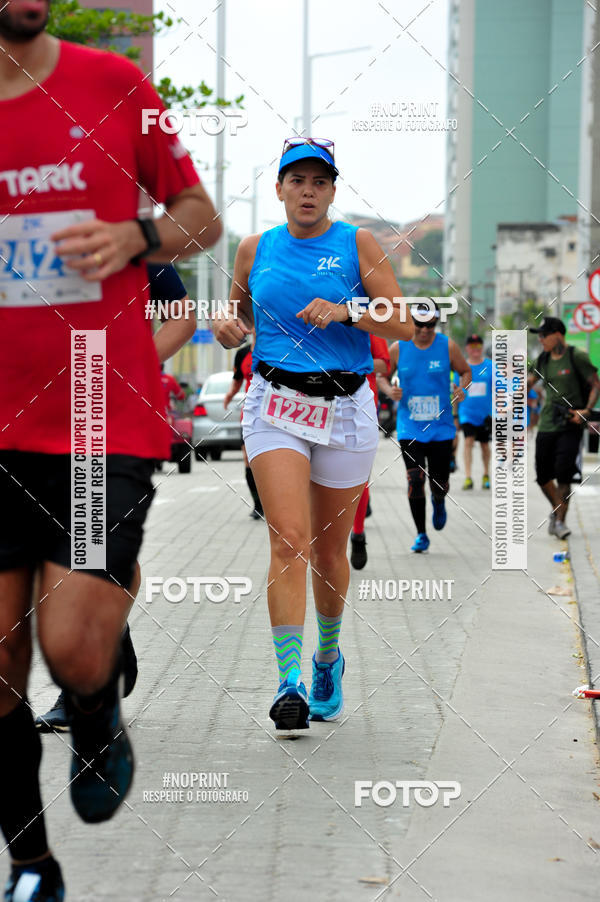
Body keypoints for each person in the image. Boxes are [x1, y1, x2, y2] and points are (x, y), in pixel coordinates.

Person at [0, 4, 220, 899]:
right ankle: (30, 864)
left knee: (73, 649)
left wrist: (137, 235)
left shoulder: (115, 85)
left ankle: (96, 710)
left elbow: (199, 217)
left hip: (93, 411)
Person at [213, 137, 413, 730]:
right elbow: (242, 315)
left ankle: (328, 658)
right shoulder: (255, 248)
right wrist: (231, 327)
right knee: (288, 541)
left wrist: (348, 310)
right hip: (274, 402)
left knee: (329, 550)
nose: (308, 190)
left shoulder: (358, 243)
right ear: (278, 188)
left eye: (319, 181)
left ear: (332, 189)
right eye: (296, 180)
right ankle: (287, 683)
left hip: (345, 406)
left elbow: (404, 318)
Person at [34, 264, 195, 734]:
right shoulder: (26, 231)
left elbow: (182, 317)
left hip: (100, 408)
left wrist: (130, 366)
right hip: (32, 405)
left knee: (89, 538)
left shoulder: (137, 238)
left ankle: (88, 674)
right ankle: (113, 636)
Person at [379, 302, 471, 553]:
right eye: (420, 324)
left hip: (441, 428)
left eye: (431, 325)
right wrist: (390, 390)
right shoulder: (398, 347)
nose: (425, 330)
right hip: (410, 427)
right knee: (415, 479)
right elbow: (381, 375)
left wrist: (462, 388)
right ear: (412, 323)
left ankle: (439, 500)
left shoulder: (447, 346)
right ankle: (421, 534)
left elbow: (465, 372)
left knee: (438, 482)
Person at [528, 316, 600, 540]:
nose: (540, 340)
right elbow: (529, 381)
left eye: (543, 335)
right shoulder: (544, 359)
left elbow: (595, 385)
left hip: (571, 424)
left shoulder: (576, 356)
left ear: (557, 334)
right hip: (548, 423)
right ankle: (557, 509)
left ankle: (560, 522)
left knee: (564, 474)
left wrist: (586, 411)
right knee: (542, 475)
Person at [349, 334, 390, 569]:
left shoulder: (365, 319)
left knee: (360, 476)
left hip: (361, 406)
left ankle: (358, 533)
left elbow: (384, 364)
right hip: (320, 403)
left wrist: (352, 361)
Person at [223, 334, 263, 518]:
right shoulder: (242, 354)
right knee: (249, 459)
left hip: (275, 412)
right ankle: (257, 505)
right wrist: (230, 395)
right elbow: (237, 378)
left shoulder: (274, 349)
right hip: (249, 414)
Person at [458, 334, 492, 490]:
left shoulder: (491, 366)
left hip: (486, 415)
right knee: (468, 441)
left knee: (485, 445)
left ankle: (486, 474)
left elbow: (499, 389)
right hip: (467, 413)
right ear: (467, 348)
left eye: (478, 346)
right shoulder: (462, 367)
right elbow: (456, 390)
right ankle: (468, 476)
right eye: (472, 346)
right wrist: (454, 416)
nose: (475, 349)